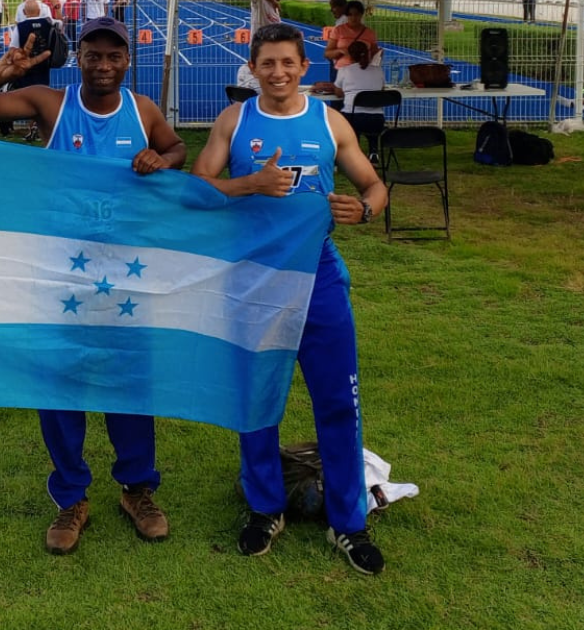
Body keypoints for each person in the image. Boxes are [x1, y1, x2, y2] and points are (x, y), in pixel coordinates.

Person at [0, 16, 187, 556]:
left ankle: (137, 489)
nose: (104, 65)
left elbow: (177, 148)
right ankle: (71, 497)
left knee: (129, 381)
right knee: (60, 385)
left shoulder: (142, 110)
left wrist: (162, 158)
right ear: (78, 58)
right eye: (93, 55)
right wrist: (1, 75)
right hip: (61, 273)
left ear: (127, 60)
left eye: (114, 56)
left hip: (127, 274)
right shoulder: (51, 104)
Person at [190, 22, 389, 575]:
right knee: (257, 400)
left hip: (317, 278)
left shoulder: (329, 121)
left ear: (305, 68)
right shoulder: (235, 120)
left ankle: (348, 522)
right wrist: (248, 185)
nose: (277, 72)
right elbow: (197, 187)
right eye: (267, 63)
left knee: (337, 401)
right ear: (252, 69)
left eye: (287, 63)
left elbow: (374, 186)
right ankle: (264, 509)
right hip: (252, 280)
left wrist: (364, 209)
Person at [6, 0, 56, 140]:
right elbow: (59, 27)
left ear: (24, 12)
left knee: (27, 96)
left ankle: (31, 126)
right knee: (43, 95)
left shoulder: (21, 27)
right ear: (40, 11)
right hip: (43, 65)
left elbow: (13, 48)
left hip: (26, 67)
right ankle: (39, 127)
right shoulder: (48, 24)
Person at [332, 40, 385, 158]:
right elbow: (381, 90)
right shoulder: (378, 70)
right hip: (377, 119)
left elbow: (338, 93)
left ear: (350, 55)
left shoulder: (344, 70)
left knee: (345, 119)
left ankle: (354, 153)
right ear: (367, 53)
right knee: (372, 127)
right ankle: (373, 151)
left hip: (353, 117)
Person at [326, 1, 378, 70]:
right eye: (350, 14)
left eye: (357, 14)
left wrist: (372, 58)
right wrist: (340, 51)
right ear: (346, 15)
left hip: (363, 71)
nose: (353, 17)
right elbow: (327, 54)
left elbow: (375, 56)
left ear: (361, 14)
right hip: (341, 71)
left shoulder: (370, 33)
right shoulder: (338, 30)